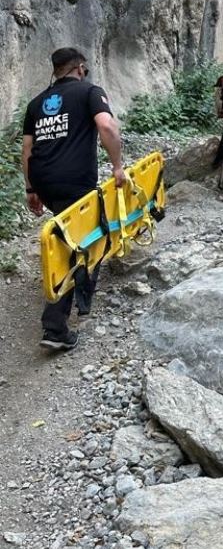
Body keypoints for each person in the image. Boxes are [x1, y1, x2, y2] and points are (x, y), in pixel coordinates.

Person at [22, 48, 125, 351]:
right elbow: (106, 126)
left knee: (76, 232)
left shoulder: (36, 103)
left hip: (45, 181)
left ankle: (84, 292)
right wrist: (118, 167)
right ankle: (55, 328)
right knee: (75, 242)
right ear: (80, 68)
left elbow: (27, 151)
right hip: (75, 180)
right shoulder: (90, 91)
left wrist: (31, 189)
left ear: (56, 71)